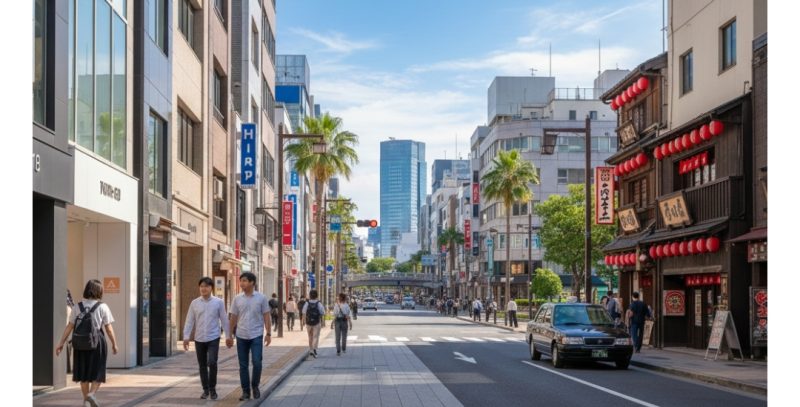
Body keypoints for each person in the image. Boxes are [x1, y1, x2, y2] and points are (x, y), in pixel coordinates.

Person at [55, 279, 118, 407]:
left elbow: (70, 326)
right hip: (97, 343)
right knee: (98, 371)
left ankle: (86, 402)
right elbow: (108, 329)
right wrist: (114, 344)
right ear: (99, 291)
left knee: (83, 374)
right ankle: (91, 395)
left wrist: (61, 343)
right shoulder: (103, 307)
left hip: (80, 343)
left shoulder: (77, 306)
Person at [182, 277, 232, 400]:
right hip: (199, 339)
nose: (203, 288)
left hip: (213, 337)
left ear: (211, 288)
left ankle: (212, 389)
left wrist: (228, 336)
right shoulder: (194, 303)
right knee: (202, 365)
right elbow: (189, 320)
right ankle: (205, 390)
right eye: (201, 286)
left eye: (206, 286)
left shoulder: (218, 302)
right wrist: (186, 336)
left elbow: (224, 320)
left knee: (212, 362)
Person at [227, 272, 272, 401]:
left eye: (245, 281)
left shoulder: (261, 298)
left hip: (256, 335)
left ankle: (255, 386)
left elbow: (266, 316)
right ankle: (245, 391)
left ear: (252, 282)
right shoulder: (237, 299)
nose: (242, 283)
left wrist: (268, 333)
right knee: (243, 365)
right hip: (241, 335)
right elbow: (233, 317)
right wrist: (229, 335)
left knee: (257, 362)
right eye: (241, 281)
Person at [303, 289, 326, 358]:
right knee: (316, 336)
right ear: (317, 296)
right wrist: (322, 321)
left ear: (310, 295)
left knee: (310, 336)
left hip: (308, 322)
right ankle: (314, 349)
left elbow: (304, 312)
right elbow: (323, 312)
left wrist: (304, 321)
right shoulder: (319, 303)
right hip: (316, 322)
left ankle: (310, 350)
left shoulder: (307, 303)